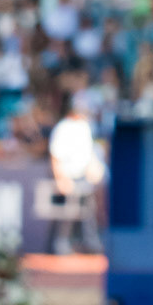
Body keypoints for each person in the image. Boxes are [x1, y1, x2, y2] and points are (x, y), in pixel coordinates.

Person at [47, 92, 106, 254]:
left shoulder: (85, 127)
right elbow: (55, 156)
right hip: (69, 176)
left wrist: (95, 171)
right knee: (70, 209)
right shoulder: (63, 127)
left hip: (84, 176)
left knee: (90, 208)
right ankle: (62, 242)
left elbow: (89, 155)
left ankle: (91, 240)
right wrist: (61, 178)